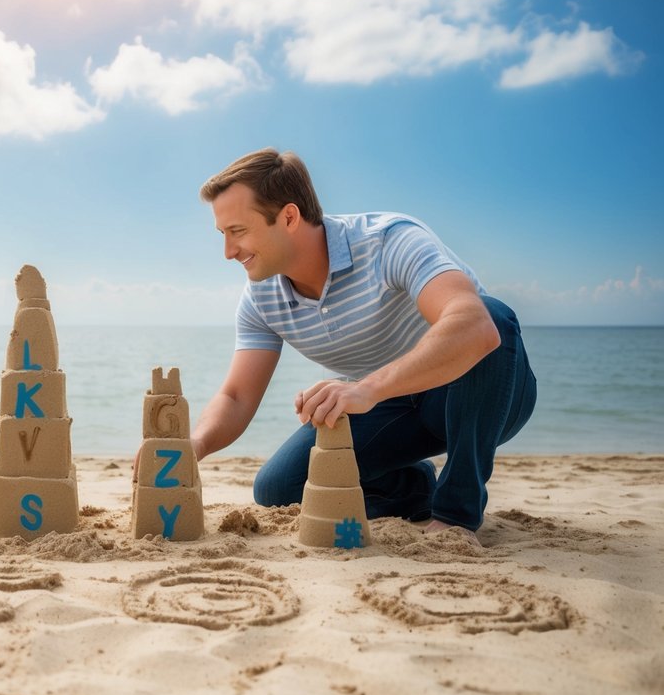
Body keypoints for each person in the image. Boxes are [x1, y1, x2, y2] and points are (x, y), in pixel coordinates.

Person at [191, 148, 536, 544]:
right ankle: (415, 488)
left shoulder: (387, 241)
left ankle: (456, 514)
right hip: (394, 409)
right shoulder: (260, 298)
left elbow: (476, 327)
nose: (228, 252)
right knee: (279, 490)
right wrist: (195, 444)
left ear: (288, 216)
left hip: (484, 391)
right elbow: (236, 397)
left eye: (238, 231)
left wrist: (365, 388)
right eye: (223, 235)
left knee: (491, 314)